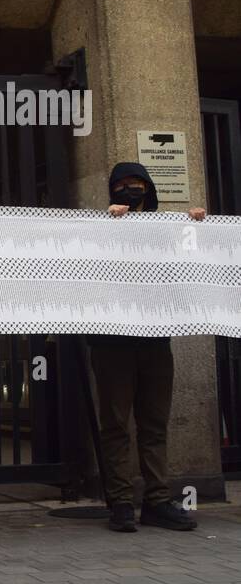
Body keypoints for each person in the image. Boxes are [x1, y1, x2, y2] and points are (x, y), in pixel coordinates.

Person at [90, 162, 206, 533]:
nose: (130, 189)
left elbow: (194, 260)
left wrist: (196, 226)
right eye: (122, 184)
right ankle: (121, 503)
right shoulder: (99, 229)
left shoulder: (164, 230)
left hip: (155, 339)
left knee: (154, 422)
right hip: (112, 342)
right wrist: (106, 224)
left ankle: (157, 500)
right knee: (116, 423)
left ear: (149, 188)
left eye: (137, 183)